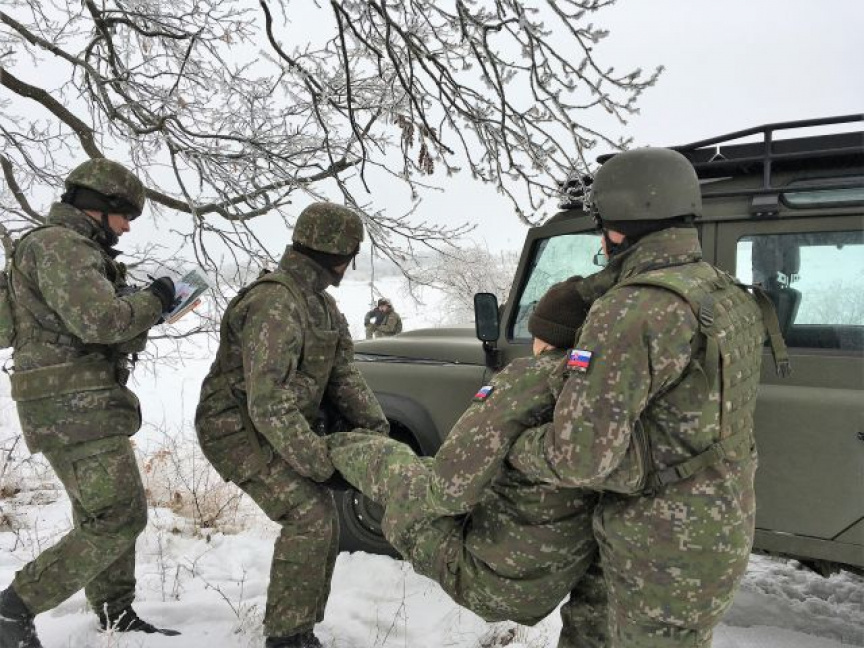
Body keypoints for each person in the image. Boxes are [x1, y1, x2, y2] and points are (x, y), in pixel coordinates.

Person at [506, 147, 788, 647]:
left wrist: (513, 444)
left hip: (659, 553)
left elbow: (579, 459)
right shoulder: (723, 291)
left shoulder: (631, 311)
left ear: (615, 229)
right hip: (712, 528)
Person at [327, 268, 617, 646]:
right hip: (559, 580)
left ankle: (328, 447)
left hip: (492, 579)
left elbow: (448, 491)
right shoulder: (614, 393)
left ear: (543, 335)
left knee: (391, 461)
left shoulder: (525, 380)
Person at [0, 159, 180, 647]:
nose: (126, 227)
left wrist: (147, 310)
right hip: (72, 404)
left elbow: (99, 328)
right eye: (125, 216)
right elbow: (101, 322)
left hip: (78, 401)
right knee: (119, 515)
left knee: (100, 512)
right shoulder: (62, 247)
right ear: (99, 206)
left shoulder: (67, 250)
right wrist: (155, 299)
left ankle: (114, 611)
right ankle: (13, 609)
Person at [194, 202, 389, 648]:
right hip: (235, 430)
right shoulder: (275, 303)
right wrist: (321, 463)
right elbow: (268, 402)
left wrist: (377, 432)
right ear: (338, 254)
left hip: (270, 425)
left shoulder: (321, 306)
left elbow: (343, 375)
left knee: (322, 517)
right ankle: (286, 637)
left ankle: (299, 630)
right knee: (309, 515)